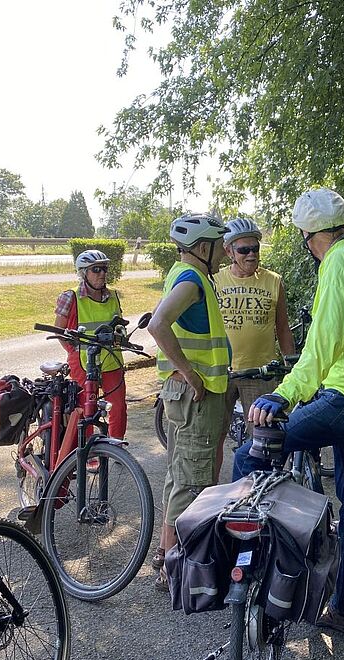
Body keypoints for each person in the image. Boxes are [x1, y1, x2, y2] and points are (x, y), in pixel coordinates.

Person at [232, 188, 344, 637]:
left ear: (310, 237)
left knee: (252, 450)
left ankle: (245, 571)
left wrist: (286, 394)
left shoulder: (337, 263)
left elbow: (322, 342)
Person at [147, 213, 230, 591]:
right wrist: (192, 373)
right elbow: (158, 324)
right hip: (196, 395)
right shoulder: (191, 279)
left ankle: (168, 556)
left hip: (186, 395)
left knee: (179, 476)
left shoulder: (186, 275)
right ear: (202, 248)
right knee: (191, 479)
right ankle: (175, 568)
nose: (225, 251)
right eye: (218, 244)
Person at [213, 218, 295, 468]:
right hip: (221, 372)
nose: (251, 255)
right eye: (243, 250)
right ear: (229, 251)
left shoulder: (273, 281)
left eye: (255, 248)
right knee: (213, 440)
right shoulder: (214, 280)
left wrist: (291, 365)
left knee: (261, 442)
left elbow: (282, 327)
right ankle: (212, 496)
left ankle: (255, 496)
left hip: (261, 373)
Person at [54, 250, 127, 438]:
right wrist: (73, 352)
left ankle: (116, 448)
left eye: (104, 269)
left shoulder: (113, 296)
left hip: (111, 361)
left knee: (118, 408)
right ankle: (86, 452)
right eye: (96, 269)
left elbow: (119, 325)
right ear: (83, 273)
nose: (102, 273)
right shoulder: (70, 297)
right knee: (85, 408)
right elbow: (59, 332)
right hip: (83, 363)